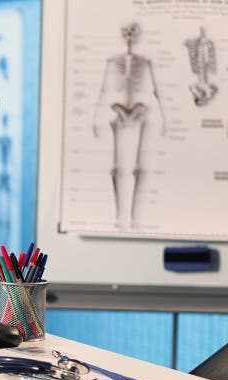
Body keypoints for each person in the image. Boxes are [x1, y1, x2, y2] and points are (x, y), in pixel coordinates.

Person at [92, 22, 166, 229]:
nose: (129, 36)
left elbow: (154, 90)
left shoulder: (145, 62)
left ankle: (132, 217)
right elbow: (102, 89)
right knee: (116, 166)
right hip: (118, 111)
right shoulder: (112, 62)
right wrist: (94, 119)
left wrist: (163, 118)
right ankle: (118, 216)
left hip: (138, 111)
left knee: (135, 166)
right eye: (126, 32)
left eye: (132, 32)